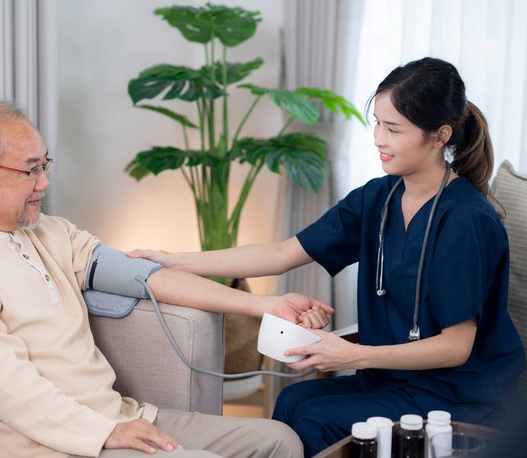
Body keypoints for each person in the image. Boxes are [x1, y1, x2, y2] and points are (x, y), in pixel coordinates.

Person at [128, 57, 525, 456]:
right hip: (392, 380)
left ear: (439, 136)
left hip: (459, 393)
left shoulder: (465, 221)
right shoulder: (378, 198)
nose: (378, 139)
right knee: (292, 401)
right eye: (377, 123)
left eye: (393, 129)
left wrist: (352, 354)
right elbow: (281, 254)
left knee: (313, 418)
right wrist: (172, 260)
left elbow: (457, 346)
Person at [0, 99, 333, 458]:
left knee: (280, 441)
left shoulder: (47, 232)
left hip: (121, 416)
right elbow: (6, 387)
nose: (45, 182)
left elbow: (146, 276)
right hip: (43, 445)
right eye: (31, 169)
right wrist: (103, 433)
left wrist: (263, 305)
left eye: (45, 164)